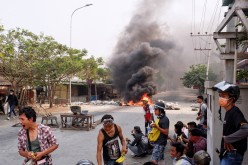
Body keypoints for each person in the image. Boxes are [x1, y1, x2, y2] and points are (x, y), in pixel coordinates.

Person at [213, 81, 248, 165]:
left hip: (232, 155)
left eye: (224, 96)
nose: (220, 98)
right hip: (228, 154)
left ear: (233, 98)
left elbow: (246, 129)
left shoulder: (235, 112)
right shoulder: (229, 112)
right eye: (220, 96)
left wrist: (228, 139)